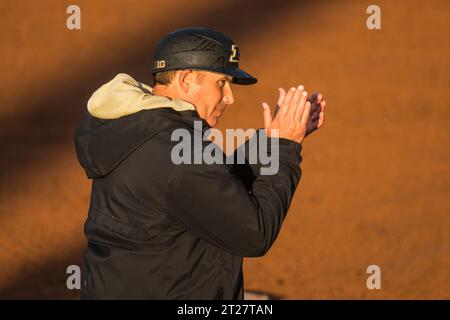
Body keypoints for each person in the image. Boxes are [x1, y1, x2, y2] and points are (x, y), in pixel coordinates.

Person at [74, 27, 326, 299]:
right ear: (186, 79)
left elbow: (208, 188)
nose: (230, 97)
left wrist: (270, 142)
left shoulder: (139, 129)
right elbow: (254, 234)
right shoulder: (176, 152)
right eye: (221, 83)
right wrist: (284, 149)